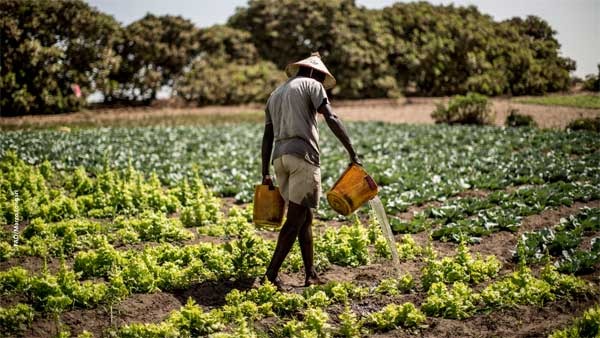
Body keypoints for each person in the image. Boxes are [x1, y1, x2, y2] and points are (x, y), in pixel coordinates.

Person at [261, 52, 361, 290]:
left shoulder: (275, 94)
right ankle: (270, 275)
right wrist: (352, 153)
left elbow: (267, 136)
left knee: (304, 218)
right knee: (294, 220)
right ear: (317, 73)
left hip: (280, 159)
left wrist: (264, 171)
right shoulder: (313, 85)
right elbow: (331, 117)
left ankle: (311, 274)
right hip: (302, 158)